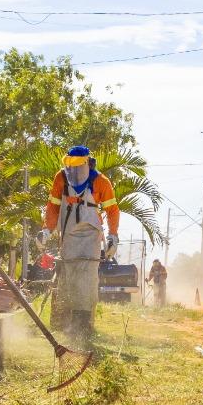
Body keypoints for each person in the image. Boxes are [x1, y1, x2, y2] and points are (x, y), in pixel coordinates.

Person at [43, 145, 120, 339]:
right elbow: (53, 206)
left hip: (90, 235)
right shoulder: (61, 177)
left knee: (86, 280)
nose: (74, 170)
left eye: (78, 165)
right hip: (68, 233)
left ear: (86, 163)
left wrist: (113, 235)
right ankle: (63, 325)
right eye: (71, 165)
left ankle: (83, 328)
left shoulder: (100, 181)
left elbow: (112, 210)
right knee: (68, 277)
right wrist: (46, 230)